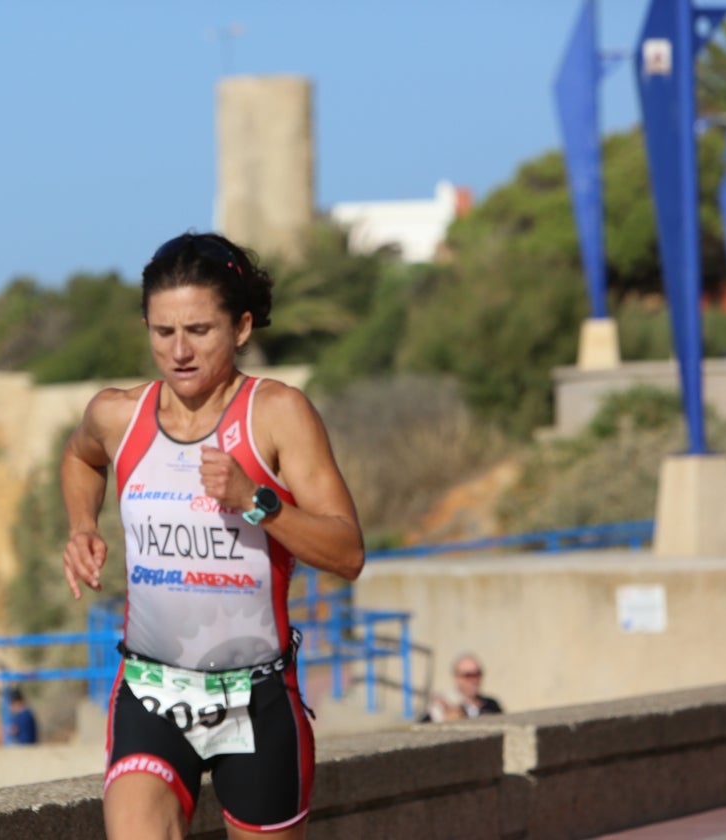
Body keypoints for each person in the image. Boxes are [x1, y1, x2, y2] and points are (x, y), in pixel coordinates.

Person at [60, 231, 365, 840]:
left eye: (199, 331)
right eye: (162, 332)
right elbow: (80, 459)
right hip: (150, 688)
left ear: (241, 328)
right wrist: (82, 527)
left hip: (257, 697)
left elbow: (347, 552)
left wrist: (258, 503)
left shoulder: (277, 414)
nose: (178, 351)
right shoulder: (118, 415)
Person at [422, 652, 504, 722]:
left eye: (477, 674)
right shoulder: (445, 705)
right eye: (468, 675)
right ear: (457, 678)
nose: (474, 679)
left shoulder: (492, 705)